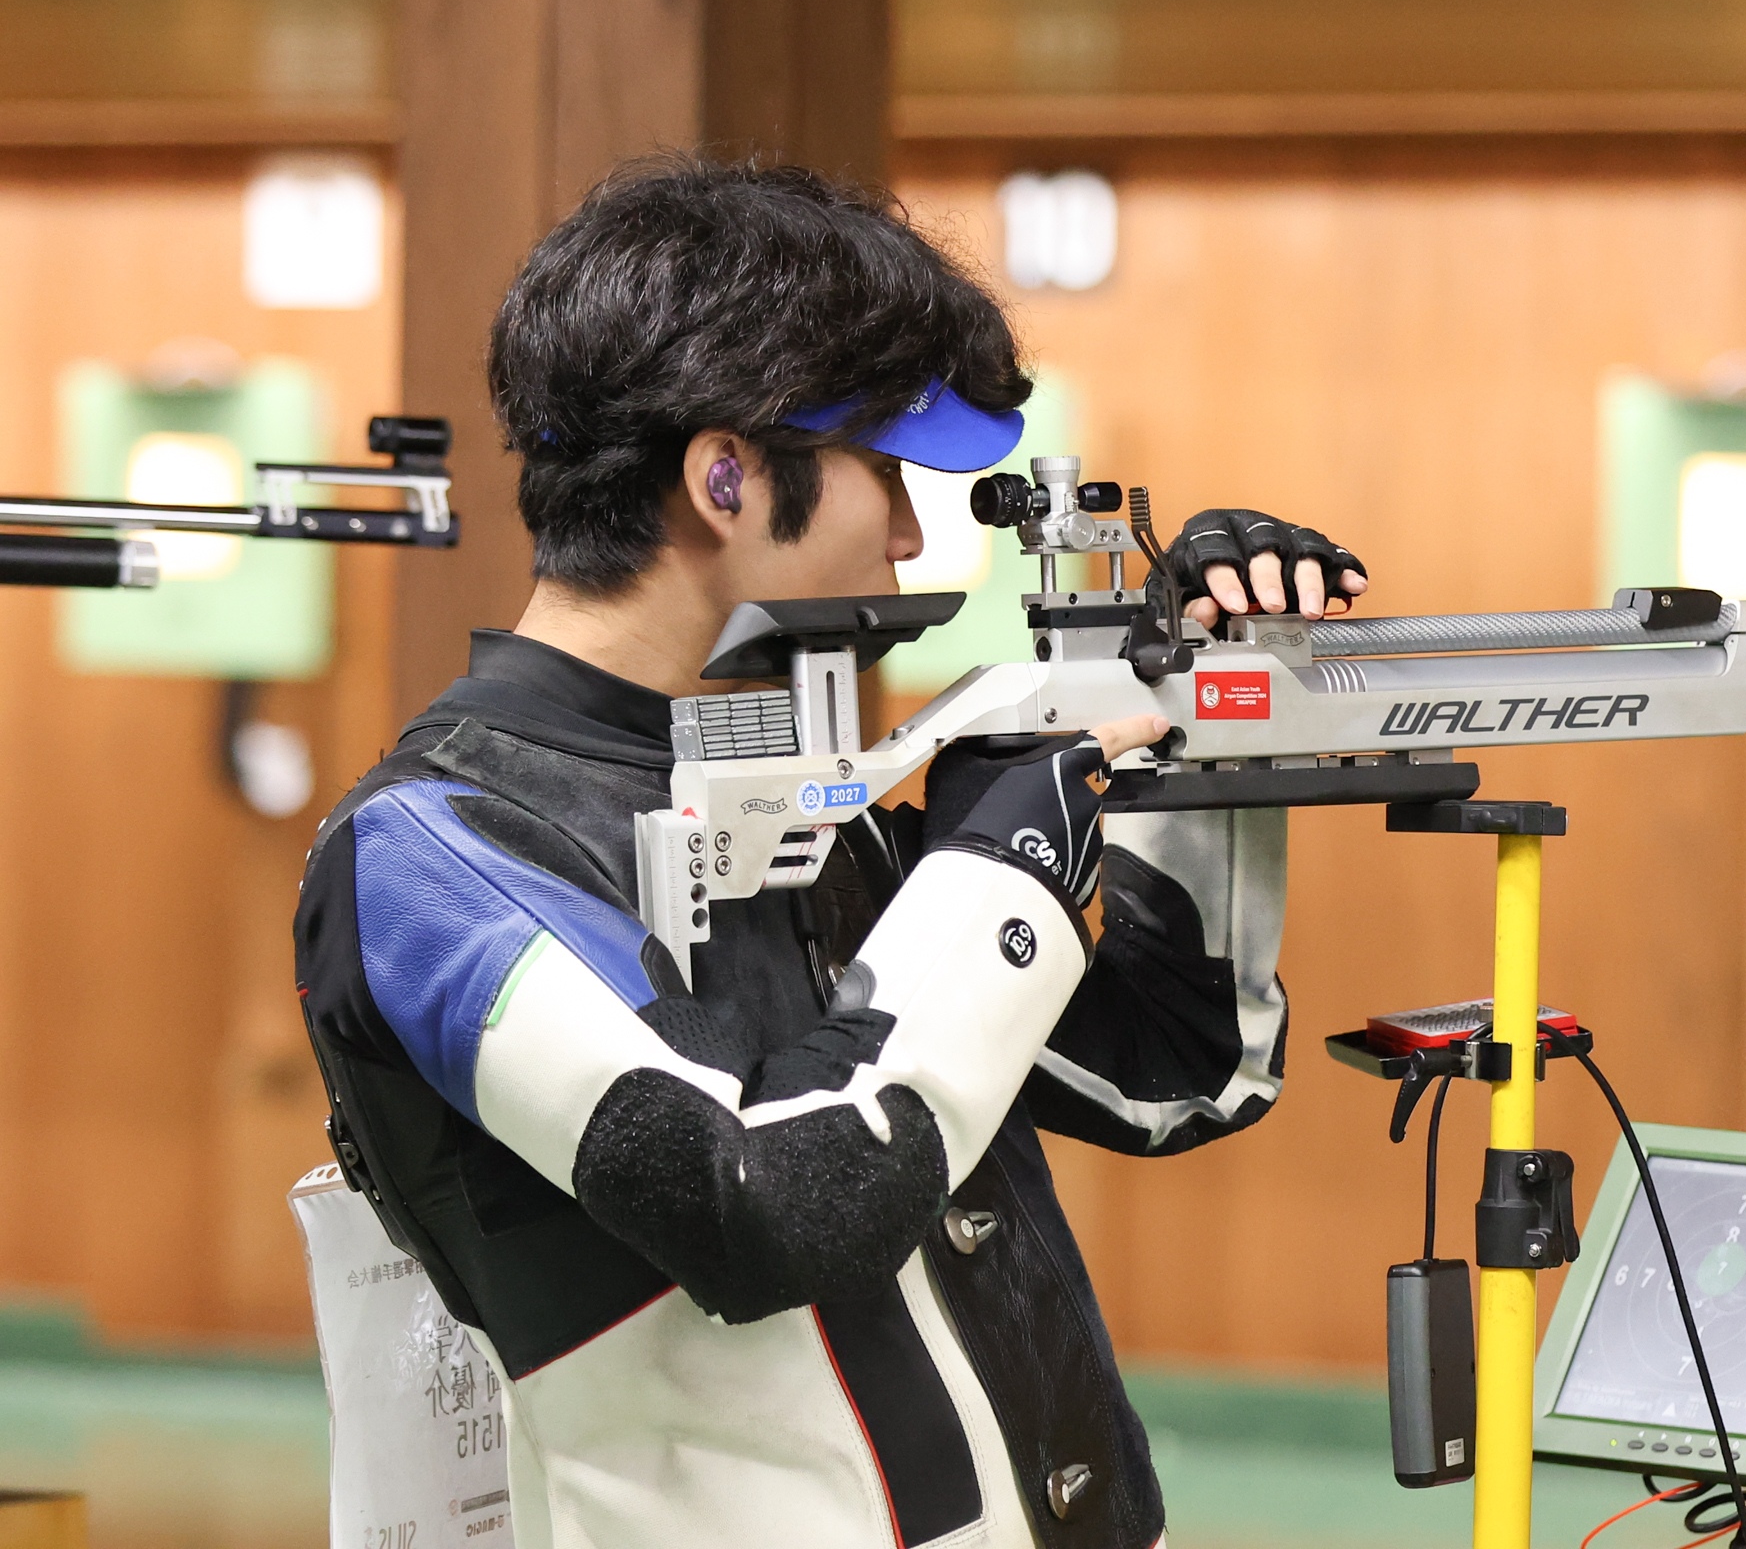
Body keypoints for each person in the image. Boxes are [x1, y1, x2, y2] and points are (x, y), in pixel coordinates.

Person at [294, 157, 1369, 1549]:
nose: (913, 533)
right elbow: (769, 1203)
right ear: (726, 475)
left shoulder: (793, 792)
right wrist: (995, 874)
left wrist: (1207, 712)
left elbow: (1175, 1074)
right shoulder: (427, 858)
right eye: (887, 474)